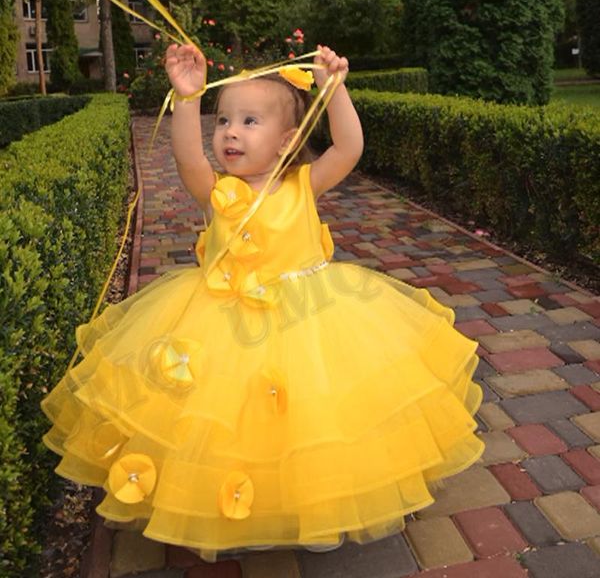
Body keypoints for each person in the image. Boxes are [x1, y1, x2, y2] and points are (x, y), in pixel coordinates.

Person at [40, 43, 484, 563]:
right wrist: (187, 98)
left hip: (311, 318)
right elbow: (186, 156)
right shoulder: (216, 191)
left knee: (314, 417)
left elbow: (348, 148)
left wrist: (332, 91)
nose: (230, 131)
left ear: (286, 140)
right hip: (220, 323)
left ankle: (307, 497)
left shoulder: (303, 184)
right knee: (230, 421)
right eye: (223, 119)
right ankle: (244, 504)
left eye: (250, 121)